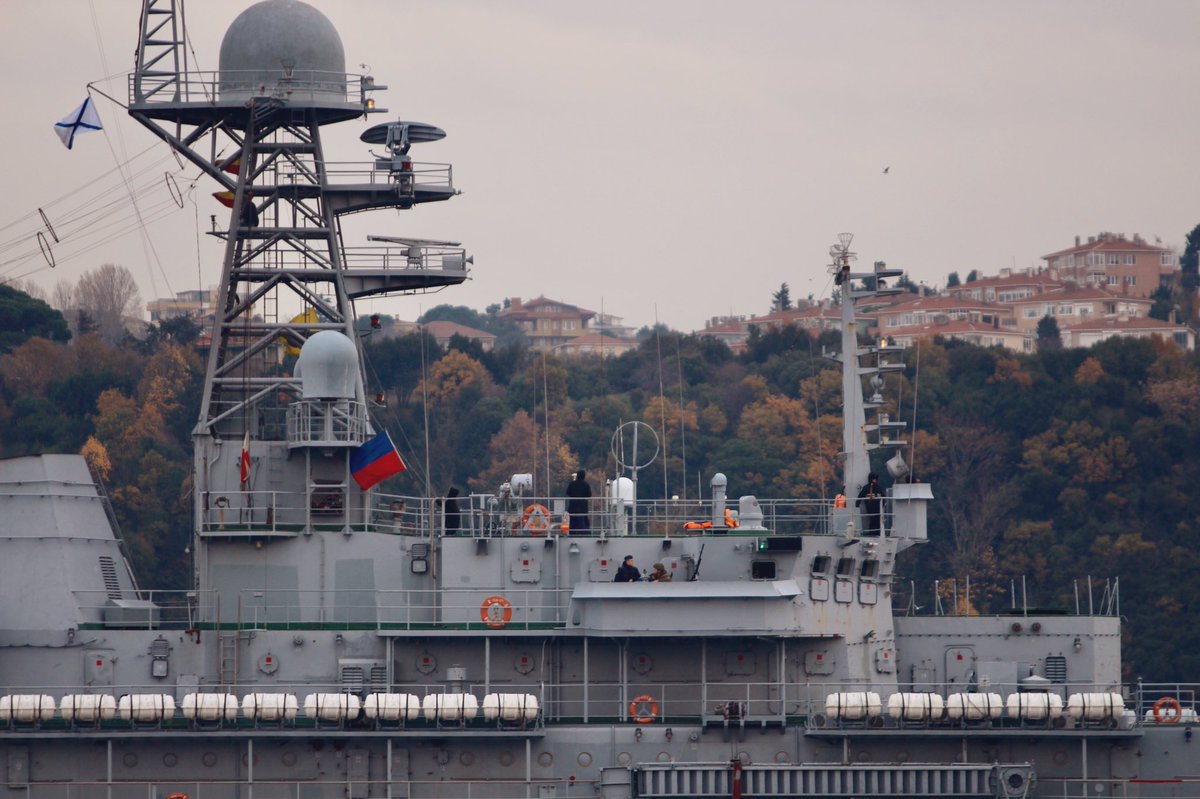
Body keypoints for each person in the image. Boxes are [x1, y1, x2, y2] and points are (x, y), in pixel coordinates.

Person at [565, 469, 592, 535]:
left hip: (572, 507)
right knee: (581, 522)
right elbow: (589, 494)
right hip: (582, 508)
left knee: (572, 522)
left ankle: (572, 534)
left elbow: (568, 492)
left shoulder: (572, 483)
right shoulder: (585, 484)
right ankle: (582, 535)